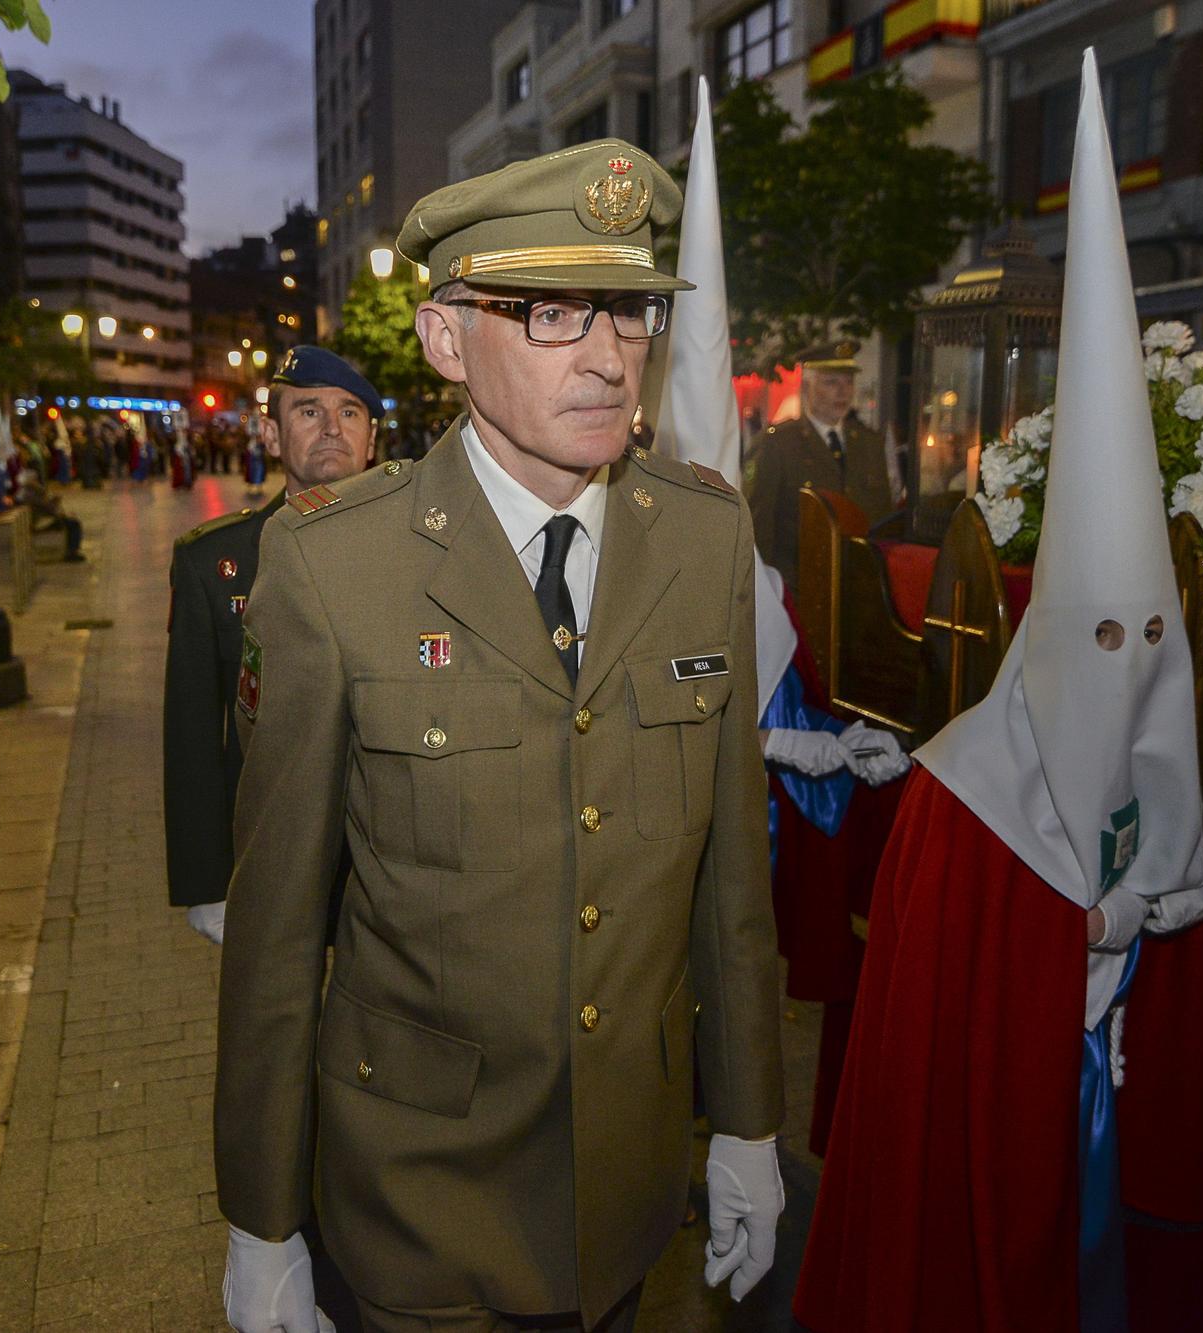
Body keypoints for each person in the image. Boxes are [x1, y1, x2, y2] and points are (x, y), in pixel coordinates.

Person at [216, 139, 786, 1333]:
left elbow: (731, 877)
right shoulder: (334, 565)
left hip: (627, 1186)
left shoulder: (701, 539)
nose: (607, 356)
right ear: (445, 340)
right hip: (421, 1197)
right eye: (548, 313)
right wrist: (261, 1223)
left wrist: (746, 1124)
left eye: (628, 312)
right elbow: (276, 934)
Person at [794, 53, 1203, 1333]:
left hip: (1095, 1090)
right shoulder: (956, 795)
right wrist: (1077, 939)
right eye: (1099, 632)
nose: (1126, 655)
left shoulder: (1155, 725)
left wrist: (1135, 909)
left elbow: (1175, 884)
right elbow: (941, 1036)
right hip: (1003, 1118)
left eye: (1148, 636)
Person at [163, 347, 383, 943]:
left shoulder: (423, 553)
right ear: (272, 435)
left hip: (398, 868)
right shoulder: (215, 565)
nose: (332, 429)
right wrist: (207, 881)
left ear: (372, 439)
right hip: (276, 859)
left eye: (351, 413)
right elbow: (192, 733)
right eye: (309, 412)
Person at [742, 342, 894, 584]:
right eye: (831, 382)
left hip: (860, 585)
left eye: (848, 382)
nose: (843, 392)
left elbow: (883, 519)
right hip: (799, 585)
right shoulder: (778, 444)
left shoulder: (869, 443)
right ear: (806, 387)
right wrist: (768, 589)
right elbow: (759, 526)